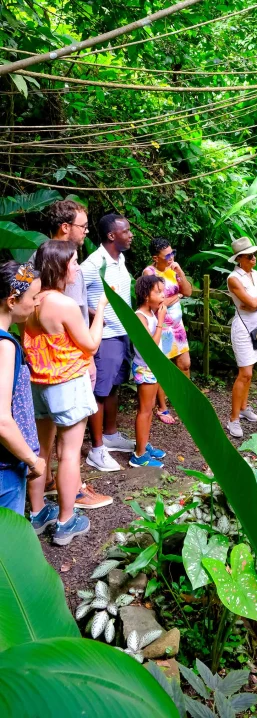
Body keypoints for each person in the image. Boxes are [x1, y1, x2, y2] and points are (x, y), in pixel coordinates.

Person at [24, 241, 107, 545]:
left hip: (38, 384)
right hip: (67, 383)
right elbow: (90, 344)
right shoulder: (64, 304)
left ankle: (36, 514)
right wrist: (100, 313)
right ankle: (66, 520)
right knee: (69, 453)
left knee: (40, 451)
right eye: (72, 262)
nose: (76, 267)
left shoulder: (31, 300)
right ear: (59, 267)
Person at [37, 199, 112, 509]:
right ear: (65, 227)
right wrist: (90, 357)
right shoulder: (68, 265)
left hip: (39, 367)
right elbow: (72, 318)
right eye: (82, 225)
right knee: (70, 440)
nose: (85, 231)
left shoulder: (37, 258)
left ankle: (46, 494)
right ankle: (73, 496)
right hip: (69, 363)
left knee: (45, 438)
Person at [81, 213, 135, 472]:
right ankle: (97, 448)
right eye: (126, 231)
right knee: (100, 392)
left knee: (114, 386)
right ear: (112, 236)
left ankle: (111, 435)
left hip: (121, 334)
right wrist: (97, 316)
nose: (130, 234)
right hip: (105, 337)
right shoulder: (93, 263)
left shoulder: (120, 258)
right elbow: (75, 299)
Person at [0, 262, 45, 514]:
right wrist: (33, 460)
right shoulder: (4, 346)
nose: (37, 303)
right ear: (12, 300)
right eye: (34, 297)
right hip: (5, 470)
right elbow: (1, 420)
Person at [226, 236, 257, 439]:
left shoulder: (256, 274)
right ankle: (233, 419)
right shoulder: (233, 278)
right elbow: (251, 303)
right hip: (243, 328)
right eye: (249, 256)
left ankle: (244, 407)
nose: (254, 259)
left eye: (254, 255)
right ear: (239, 259)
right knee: (244, 373)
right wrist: (255, 303)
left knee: (251, 371)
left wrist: (256, 303)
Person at [143, 237, 193, 424]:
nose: (171, 257)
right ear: (156, 258)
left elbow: (187, 291)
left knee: (185, 364)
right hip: (161, 326)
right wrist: (176, 296)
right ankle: (162, 408)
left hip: (177, 328)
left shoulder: (174, 269)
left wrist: (180, 272)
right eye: (167, 255)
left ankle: (185, 398)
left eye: (172, 253)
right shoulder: (150, 273)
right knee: (163, 368)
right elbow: (156, 303)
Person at [129, 274, 169, 469]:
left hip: (152, 368)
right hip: (145, 368)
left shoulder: (152, 313)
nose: (163, 295)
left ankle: (143, 445)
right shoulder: (140, 316)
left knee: (149, 409)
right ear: (146, 296)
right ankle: (139, 455)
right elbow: (150, 347)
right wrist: (161, 321)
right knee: (144, 411)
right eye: (158, 292)